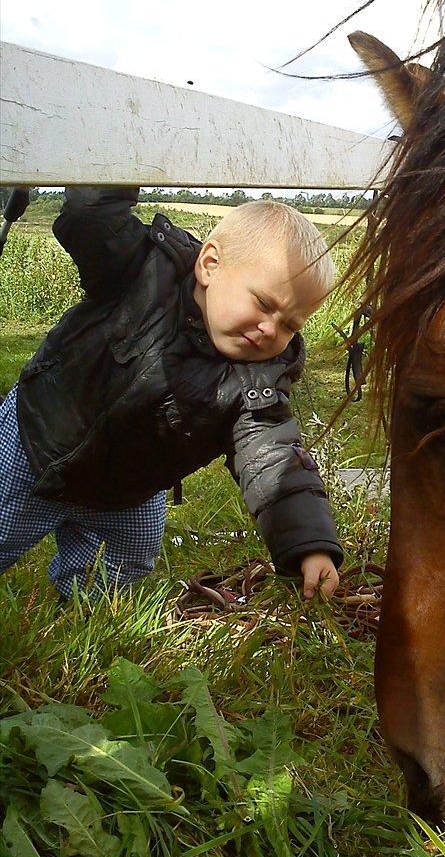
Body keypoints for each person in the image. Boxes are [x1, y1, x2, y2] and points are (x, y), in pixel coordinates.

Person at [0, 188, 343, 601]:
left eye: (290, 323)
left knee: (129, 560)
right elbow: (91, 220)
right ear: (210, 264)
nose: (271, 330)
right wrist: (114, 154)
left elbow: (273, 458)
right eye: (264, 304)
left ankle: (83, 613)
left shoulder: (258, 377)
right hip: (36, 446)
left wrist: (311, 544)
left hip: (129, 490)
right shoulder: (141, 270)